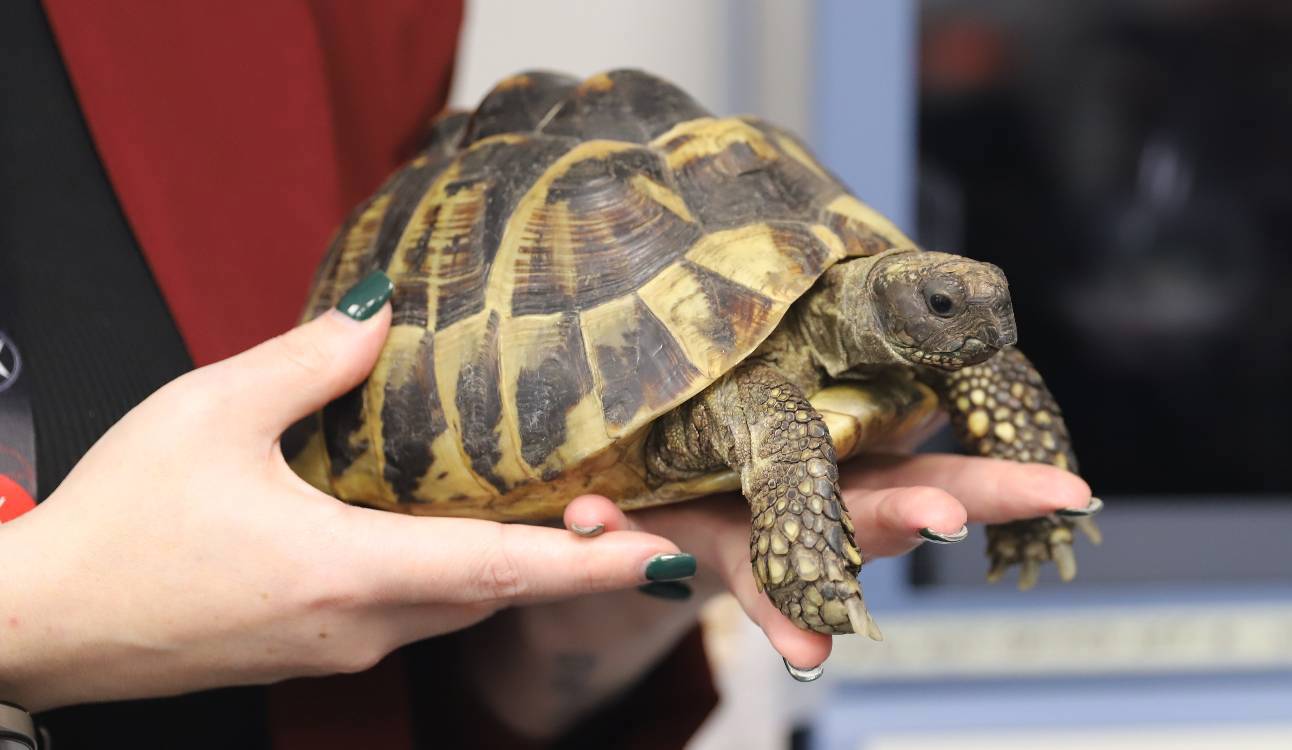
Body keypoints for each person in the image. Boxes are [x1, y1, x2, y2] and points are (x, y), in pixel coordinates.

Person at [0, 2, 1093, 747]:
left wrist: (590, 628)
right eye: (944, 310)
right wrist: (39, 619)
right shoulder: (768, 400)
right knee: (775, 417)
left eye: (967, 307)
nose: (974, 326)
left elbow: (445, 700)